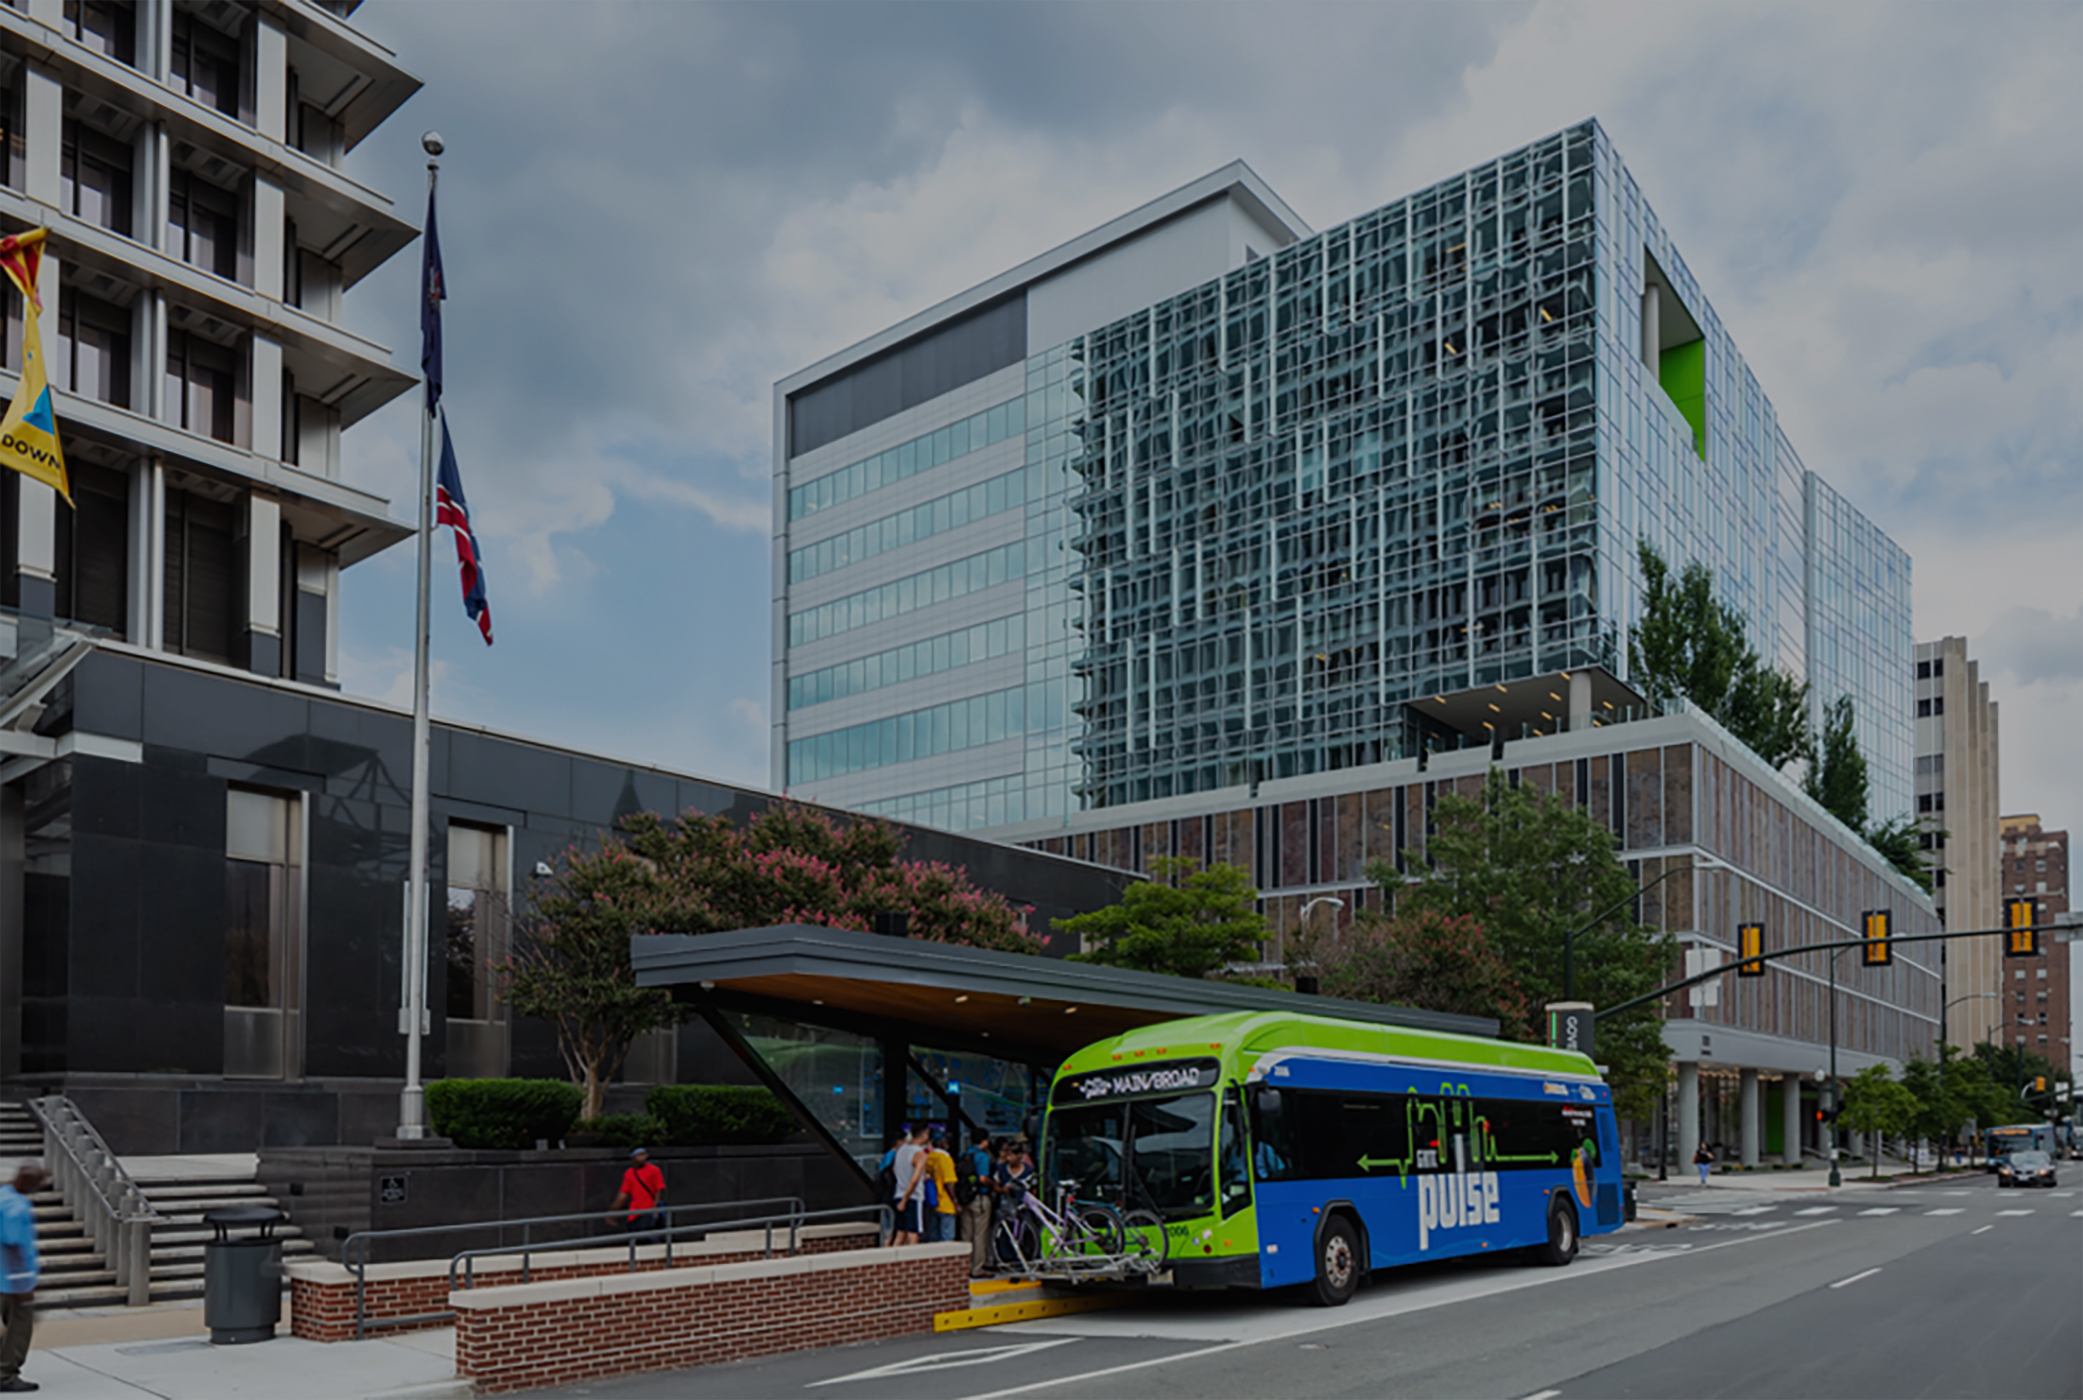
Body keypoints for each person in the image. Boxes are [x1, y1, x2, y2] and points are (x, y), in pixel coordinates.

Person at [1, 1160, 47, 1394]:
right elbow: (12, 1246)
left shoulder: (2, 1195)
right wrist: (22, 1284)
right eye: (37, 1183)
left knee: (7, 1330)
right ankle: (6, 1375)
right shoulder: (16, 1207)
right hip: (10, 1281)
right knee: (19, 1330)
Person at [958, 1131, 995, 1274]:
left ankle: (964, 1267)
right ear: (984, 1141)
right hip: (979, 1198)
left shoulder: (964, 1155)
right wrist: (994, 1184)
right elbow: (983, 1178)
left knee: (966, 1233)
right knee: (979, 1234)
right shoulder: (982, 1156)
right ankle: (977, 1268)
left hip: (965, 1198)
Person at [610, 1146, 667, 1237]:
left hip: (648, 1211)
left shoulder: (654, 1170)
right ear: (633, 1157)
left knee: (648, 1238)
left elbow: (659, 1190)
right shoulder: (629, 1173)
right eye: (639, 1155)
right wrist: (613, 1211)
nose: (642, 1157)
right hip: (634, 1213)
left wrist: (655, 1207)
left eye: (644, 1154)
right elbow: (623, 1195)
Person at [891, 1124, 931, 1246]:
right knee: (913, 1233)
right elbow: (915, 1179)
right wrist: (905, 1199)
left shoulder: (901, 1149)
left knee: (900, 1233)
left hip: (899, 1192)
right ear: (924, 1135)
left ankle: (891, 1261)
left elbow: (894, 1169)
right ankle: (912, 1261)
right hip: (912, 1197)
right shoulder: (920, 1154)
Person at [925, 1130, 960, 1244]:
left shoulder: (930, 1157)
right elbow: (949, 1182)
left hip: (933, 1200)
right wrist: (955, 1201)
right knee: (947, 1239)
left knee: (933, 1237)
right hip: (946, 1202)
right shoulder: (945, 1158)